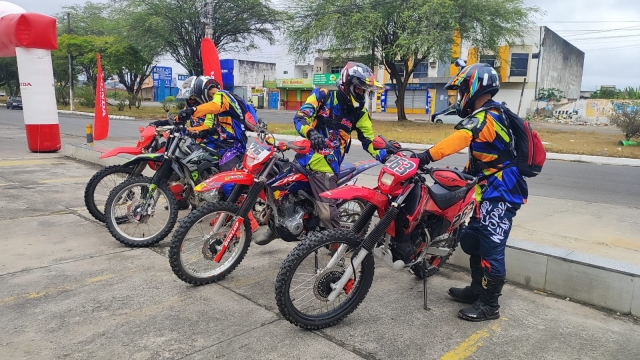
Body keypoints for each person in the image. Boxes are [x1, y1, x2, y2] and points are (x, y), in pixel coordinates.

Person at [414, 63, 528, 322]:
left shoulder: (487, 116)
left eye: (463, 89)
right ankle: (478, 289)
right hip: (486, 190)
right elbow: (485, 155)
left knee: (492, 248)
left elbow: (460, 139)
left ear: (475, 88)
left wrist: (425, 156)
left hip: (501, 192)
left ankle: (490, 306)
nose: (460, 95)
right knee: (474, 240)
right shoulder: (492, 113)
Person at [253, 62, 389, 245]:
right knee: (275, 188)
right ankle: (276, 227)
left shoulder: (360, 113)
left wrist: (387, 156)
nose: (361, 94)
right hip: (303, 159)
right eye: (359, 88)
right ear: (347, 84)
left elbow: (369, 141)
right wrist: (311, 132)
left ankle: (341, 247)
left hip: (326, 168)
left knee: (327, 213)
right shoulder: (323, 96)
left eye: (364, 90)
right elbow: (301, 117)